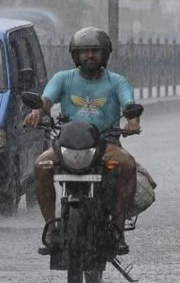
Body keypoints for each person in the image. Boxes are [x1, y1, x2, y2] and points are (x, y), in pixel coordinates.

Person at [24, 26, 140, 255]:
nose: (89, 56)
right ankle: (51, 227)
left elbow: (129, 105)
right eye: (84, 51)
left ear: (104, 54)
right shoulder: (63, 78)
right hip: (67, 145)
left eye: (95, 51)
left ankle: (118, 230)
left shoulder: (116, 81)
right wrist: (37, 112)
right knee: (41, 166)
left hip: (106, 145)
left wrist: (132, 121)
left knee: (128, 164)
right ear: (75, 55)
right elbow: (45, 101)